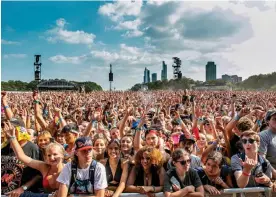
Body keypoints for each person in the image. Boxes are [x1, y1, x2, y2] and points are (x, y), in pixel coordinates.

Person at [5, 120, 65, 196]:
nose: (52, 158)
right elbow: (21, 156)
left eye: (55, 154)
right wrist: (12, 137)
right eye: (49, 155)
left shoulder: (68, 169)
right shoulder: (44, 167)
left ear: (62, 155)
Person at [1, 119, 41, 197]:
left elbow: (38, 175)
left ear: (22, 130)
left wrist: (23, 188)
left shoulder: (33, 148)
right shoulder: (4, 147)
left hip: (23, 194)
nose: (7, 130)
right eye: (4, 127)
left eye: (11, 127)